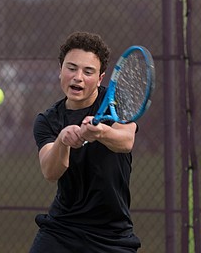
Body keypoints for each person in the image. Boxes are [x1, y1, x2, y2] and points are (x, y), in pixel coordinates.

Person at [30, 32, 141, 253]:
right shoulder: (48, 120)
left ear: (100, 78)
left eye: (88, 71)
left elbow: (126, 140)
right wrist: (63, 141)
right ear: (60, 69)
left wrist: (99, 133)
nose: (78, 77)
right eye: (71, 68)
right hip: (61, 230)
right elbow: (50, 172)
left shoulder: (116, 101)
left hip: (113, 235)